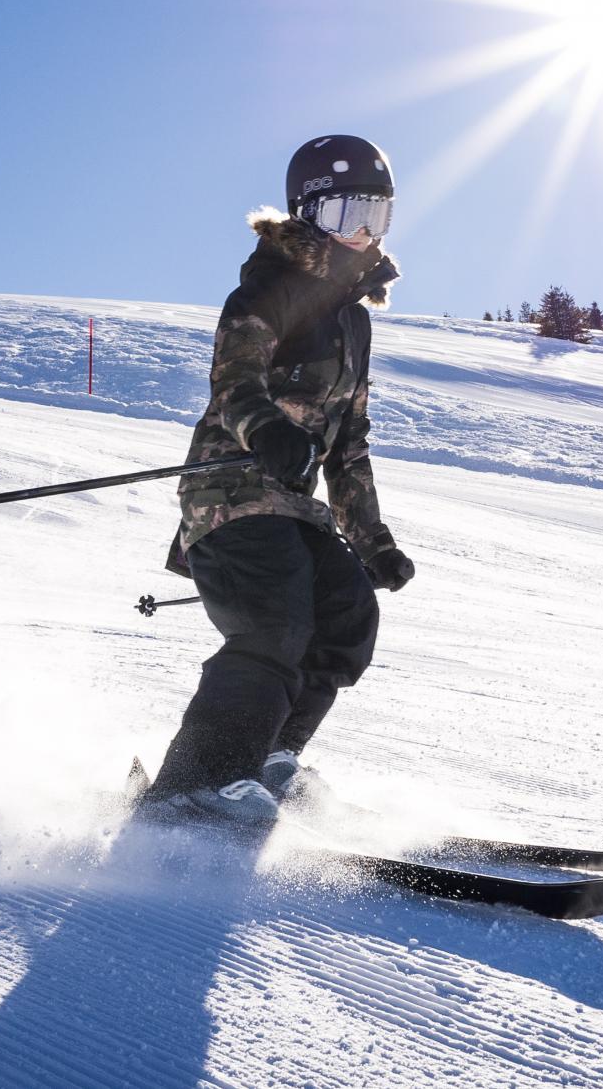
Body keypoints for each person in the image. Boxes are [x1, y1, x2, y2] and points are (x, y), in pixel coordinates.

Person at [144, 134, 416, 826]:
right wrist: (266, 430)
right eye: (346, 213)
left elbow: (348, 447)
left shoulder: (354, 321)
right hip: (228, 492)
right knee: (277, 622)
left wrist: (373, 540)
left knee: (348, 615)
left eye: (376, 217)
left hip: (292, 504)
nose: (361, 233)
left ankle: (267, 754)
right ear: (307, 212)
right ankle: (194, 783)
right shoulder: (269, 284)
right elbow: (235, 379)